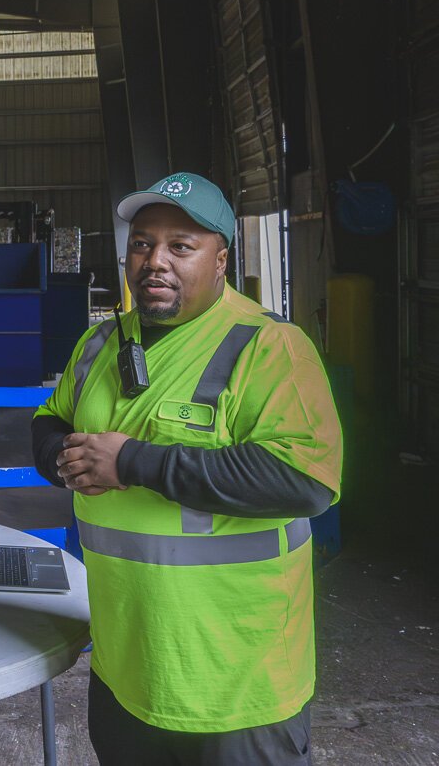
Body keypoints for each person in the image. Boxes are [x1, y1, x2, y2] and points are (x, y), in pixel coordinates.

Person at [32, 172, 342, 765]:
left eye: (181, 246)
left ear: (220, 259)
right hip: (126, 667)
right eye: (143, 243)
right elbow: (50, 421)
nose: (156, 262)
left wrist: (131, 462)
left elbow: (305, 481)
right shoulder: (98, 345)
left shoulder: (270, 347)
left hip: (235, 686)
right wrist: (64, 459)